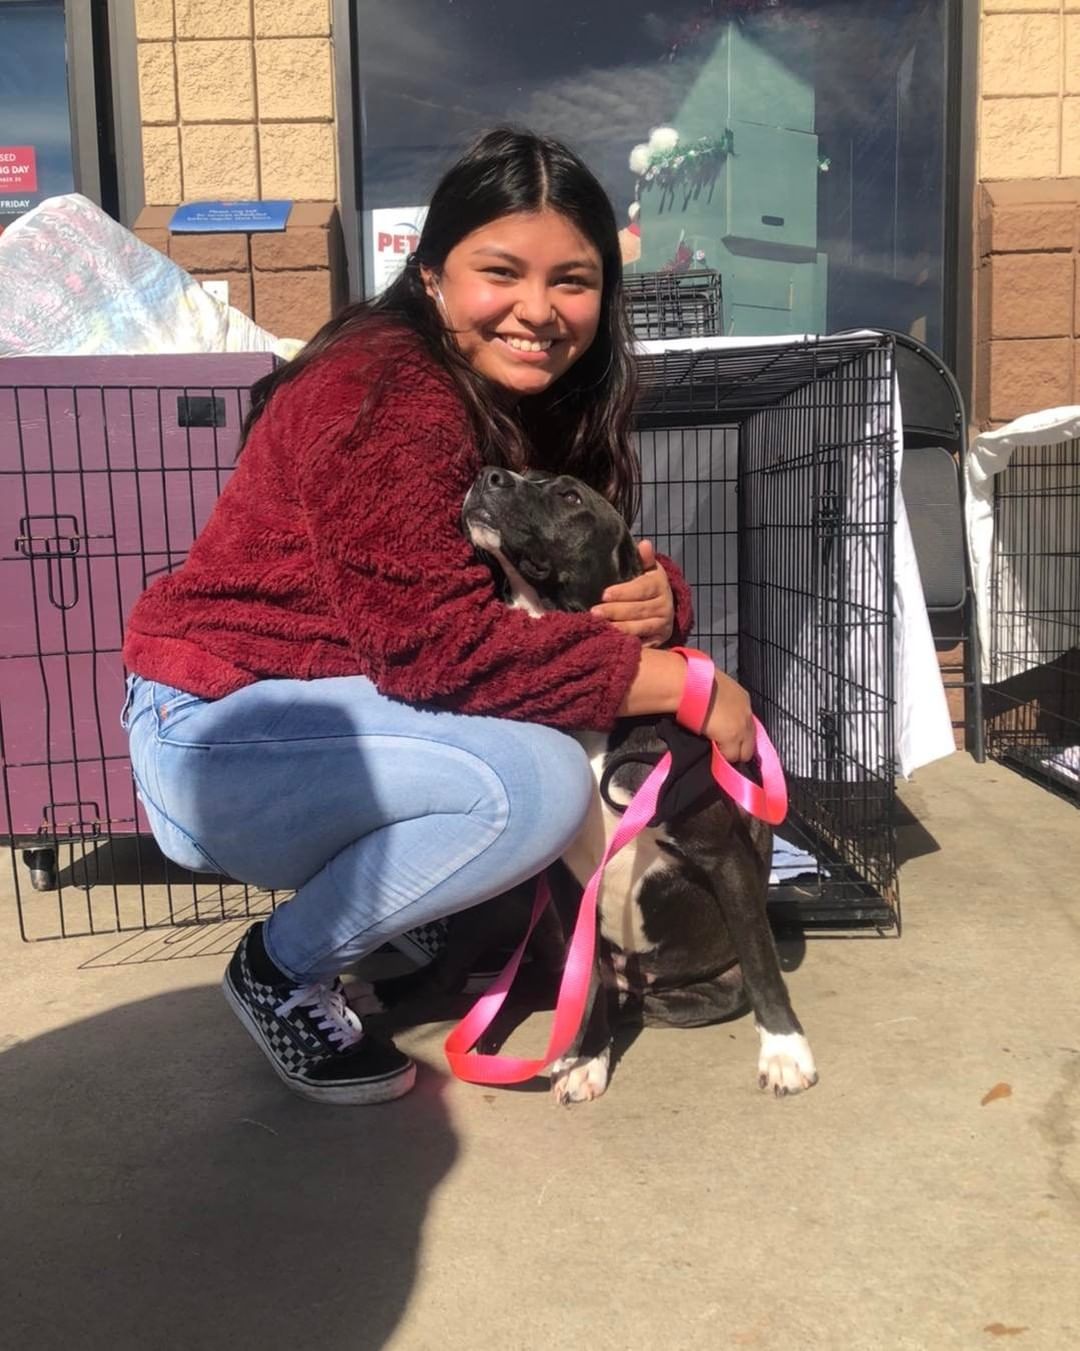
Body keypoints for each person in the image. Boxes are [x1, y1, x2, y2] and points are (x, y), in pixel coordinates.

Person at [121, 127, 755, 1106]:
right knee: (533, 788)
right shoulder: (387, 391)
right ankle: (282, 966)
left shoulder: (529, 394)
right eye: (501, 271)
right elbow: (436, 649)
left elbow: (556, 574)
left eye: (573, 280)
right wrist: (682, 679)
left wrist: (660, 589)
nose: (537, 310)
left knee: (538, 768)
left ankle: (399, 914)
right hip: (216, 730)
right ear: (431, 275)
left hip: (327, 709)